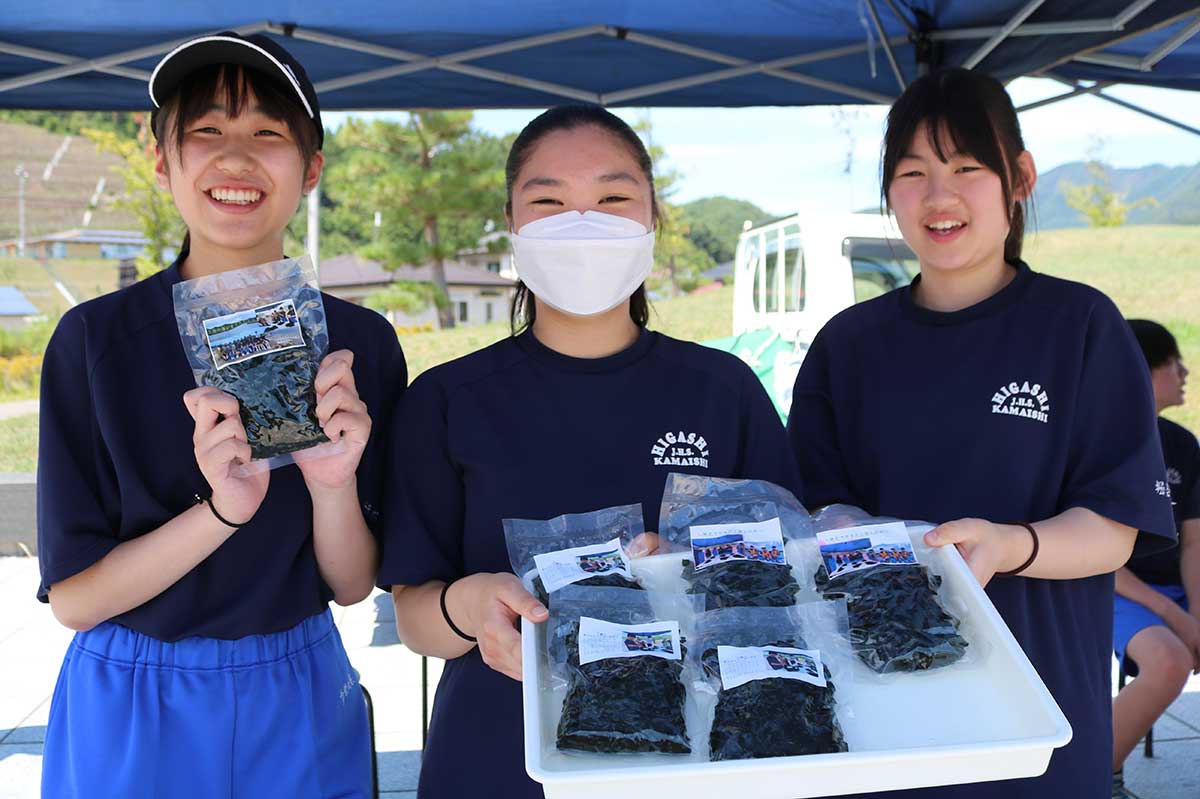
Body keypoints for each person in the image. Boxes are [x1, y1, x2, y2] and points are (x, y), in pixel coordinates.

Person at [378, 104, 801, 799]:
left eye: (611, 198)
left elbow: (788, 578)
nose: (582, 223)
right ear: (513, 226)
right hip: (496, 756)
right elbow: (414, 614)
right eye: (549, 202)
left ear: (652, 219)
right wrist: (473, 602)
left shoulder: (722, 390)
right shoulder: (447, 399)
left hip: (697, 754)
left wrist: (696, 573)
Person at [786, 68, 1175, 798]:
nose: (940, 196)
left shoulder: (1081, 327)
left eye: (967, 167)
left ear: (1018, 177)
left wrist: (1009, 545)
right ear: (889, 192)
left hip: (1039, 713)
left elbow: (1115, 527)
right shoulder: (848, 344)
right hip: (880, 718)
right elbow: (812, 513)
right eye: (913, 173)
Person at [35, 32, 405, 799]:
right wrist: (223, 512)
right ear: (163, 163)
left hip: (299, 684)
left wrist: (333, 484)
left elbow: (352, 584)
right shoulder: (94, 342)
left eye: (268, 134)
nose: (236, 159)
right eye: (206, 131)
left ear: (310, 170)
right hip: (132, 690)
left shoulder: (360, 345)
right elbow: (74, 598)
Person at [1111, 319, 1199, 799]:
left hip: (1177, 589)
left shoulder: (1183, 444)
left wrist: (1197, 615)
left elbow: (1195, 545)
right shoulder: (1096, 444)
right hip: (1113, 588)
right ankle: (1093, 774)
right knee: (1168, 661)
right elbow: (1099, 556)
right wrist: (1176, 619)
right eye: (1171, 361)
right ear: (1138, 372)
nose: (1183, 371)